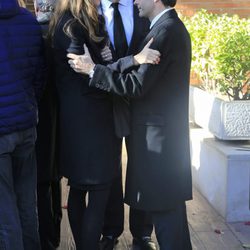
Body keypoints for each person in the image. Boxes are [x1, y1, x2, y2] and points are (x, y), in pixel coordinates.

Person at [67, 0, 193, 248]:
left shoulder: (165, 31)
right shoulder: (165, 27)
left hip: (159, 141)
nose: (135, 0)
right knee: (172, 220)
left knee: (167, 217)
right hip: (161, 137)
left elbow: (136, 85)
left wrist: (93, 70)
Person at [48, 0, 122, 248]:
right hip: (93, 119)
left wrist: (104, 61)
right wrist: (104, 64)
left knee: (79, 189)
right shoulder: (74, 27)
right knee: (98, 192)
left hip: (73, 119)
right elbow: (86, 73)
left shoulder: (64, 22)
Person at [98, 0, 156, 249]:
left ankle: (142, 233)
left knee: (143, 164)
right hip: (103, 102)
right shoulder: (91, 10)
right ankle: (110, 231)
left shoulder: (142, 9)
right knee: (109, 166)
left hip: (140, 101)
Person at [0, 0, 45, 249]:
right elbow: (40, 74)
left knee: (5, 214)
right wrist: (28, 105)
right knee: (28, 205)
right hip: (26, 126)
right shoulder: (29, 21)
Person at [33, 1, 62, 249]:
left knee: (42, 182)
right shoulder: (62, 33)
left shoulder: (34, 34)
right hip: (58, 115)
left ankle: (47, 238)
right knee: (53, 178)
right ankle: (54, 233)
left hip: (39, 116)